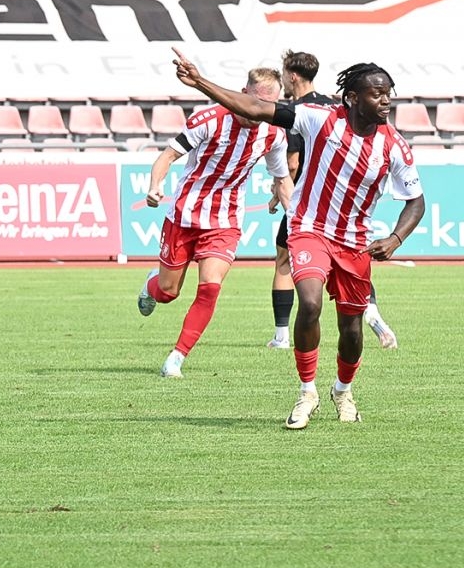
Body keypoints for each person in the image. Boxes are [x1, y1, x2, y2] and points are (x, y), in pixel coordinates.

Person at [172, 50, 423, 429]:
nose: (386, 100)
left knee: (351, 328)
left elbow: (416, 201)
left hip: (354, 241)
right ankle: (307, 392)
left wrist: (396, 238)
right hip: (309, 229)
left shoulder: (394, 146)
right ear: (353, 98)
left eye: (389, 93)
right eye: (377, 93)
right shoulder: (320, 119)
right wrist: (201, 82)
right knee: (309, 303)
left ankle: (342, 390)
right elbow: (256, 108)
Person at [136, 67, 293, 378]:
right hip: (184, 215)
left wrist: (297, 221)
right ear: (244, 94)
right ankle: (152, 285)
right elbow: (167, 157)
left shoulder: (274, 133)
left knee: (210, 288)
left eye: (269, 105)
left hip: (225, 221)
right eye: (257, 101)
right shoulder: (209, 120)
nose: (260, 111)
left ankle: (176, 358)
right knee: (168, 292)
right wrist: (155, 187)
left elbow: (282, 179)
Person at [270, 50, 396, 352]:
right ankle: (371, 309)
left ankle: (282, 334)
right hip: (349, 213)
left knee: (285, 260)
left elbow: (293, 163)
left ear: (292, 76)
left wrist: (281, 192)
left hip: (310, 207)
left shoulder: (305, 111)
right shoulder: (333, 104)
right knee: (347, 259)